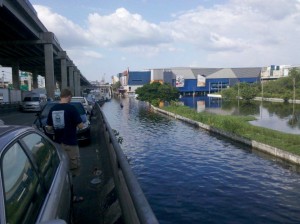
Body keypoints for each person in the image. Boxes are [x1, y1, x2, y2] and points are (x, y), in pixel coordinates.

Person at [46, 88, 84, 203]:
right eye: (71, 97)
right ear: (68, 96)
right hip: (70, 144)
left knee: (61, 171)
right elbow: (81, 126)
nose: (70, 99)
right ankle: (71, 196)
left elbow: (49, 127)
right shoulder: (71, 109)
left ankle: (64, 195)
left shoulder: (53, 109)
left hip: (58, 144)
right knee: (72, 171)